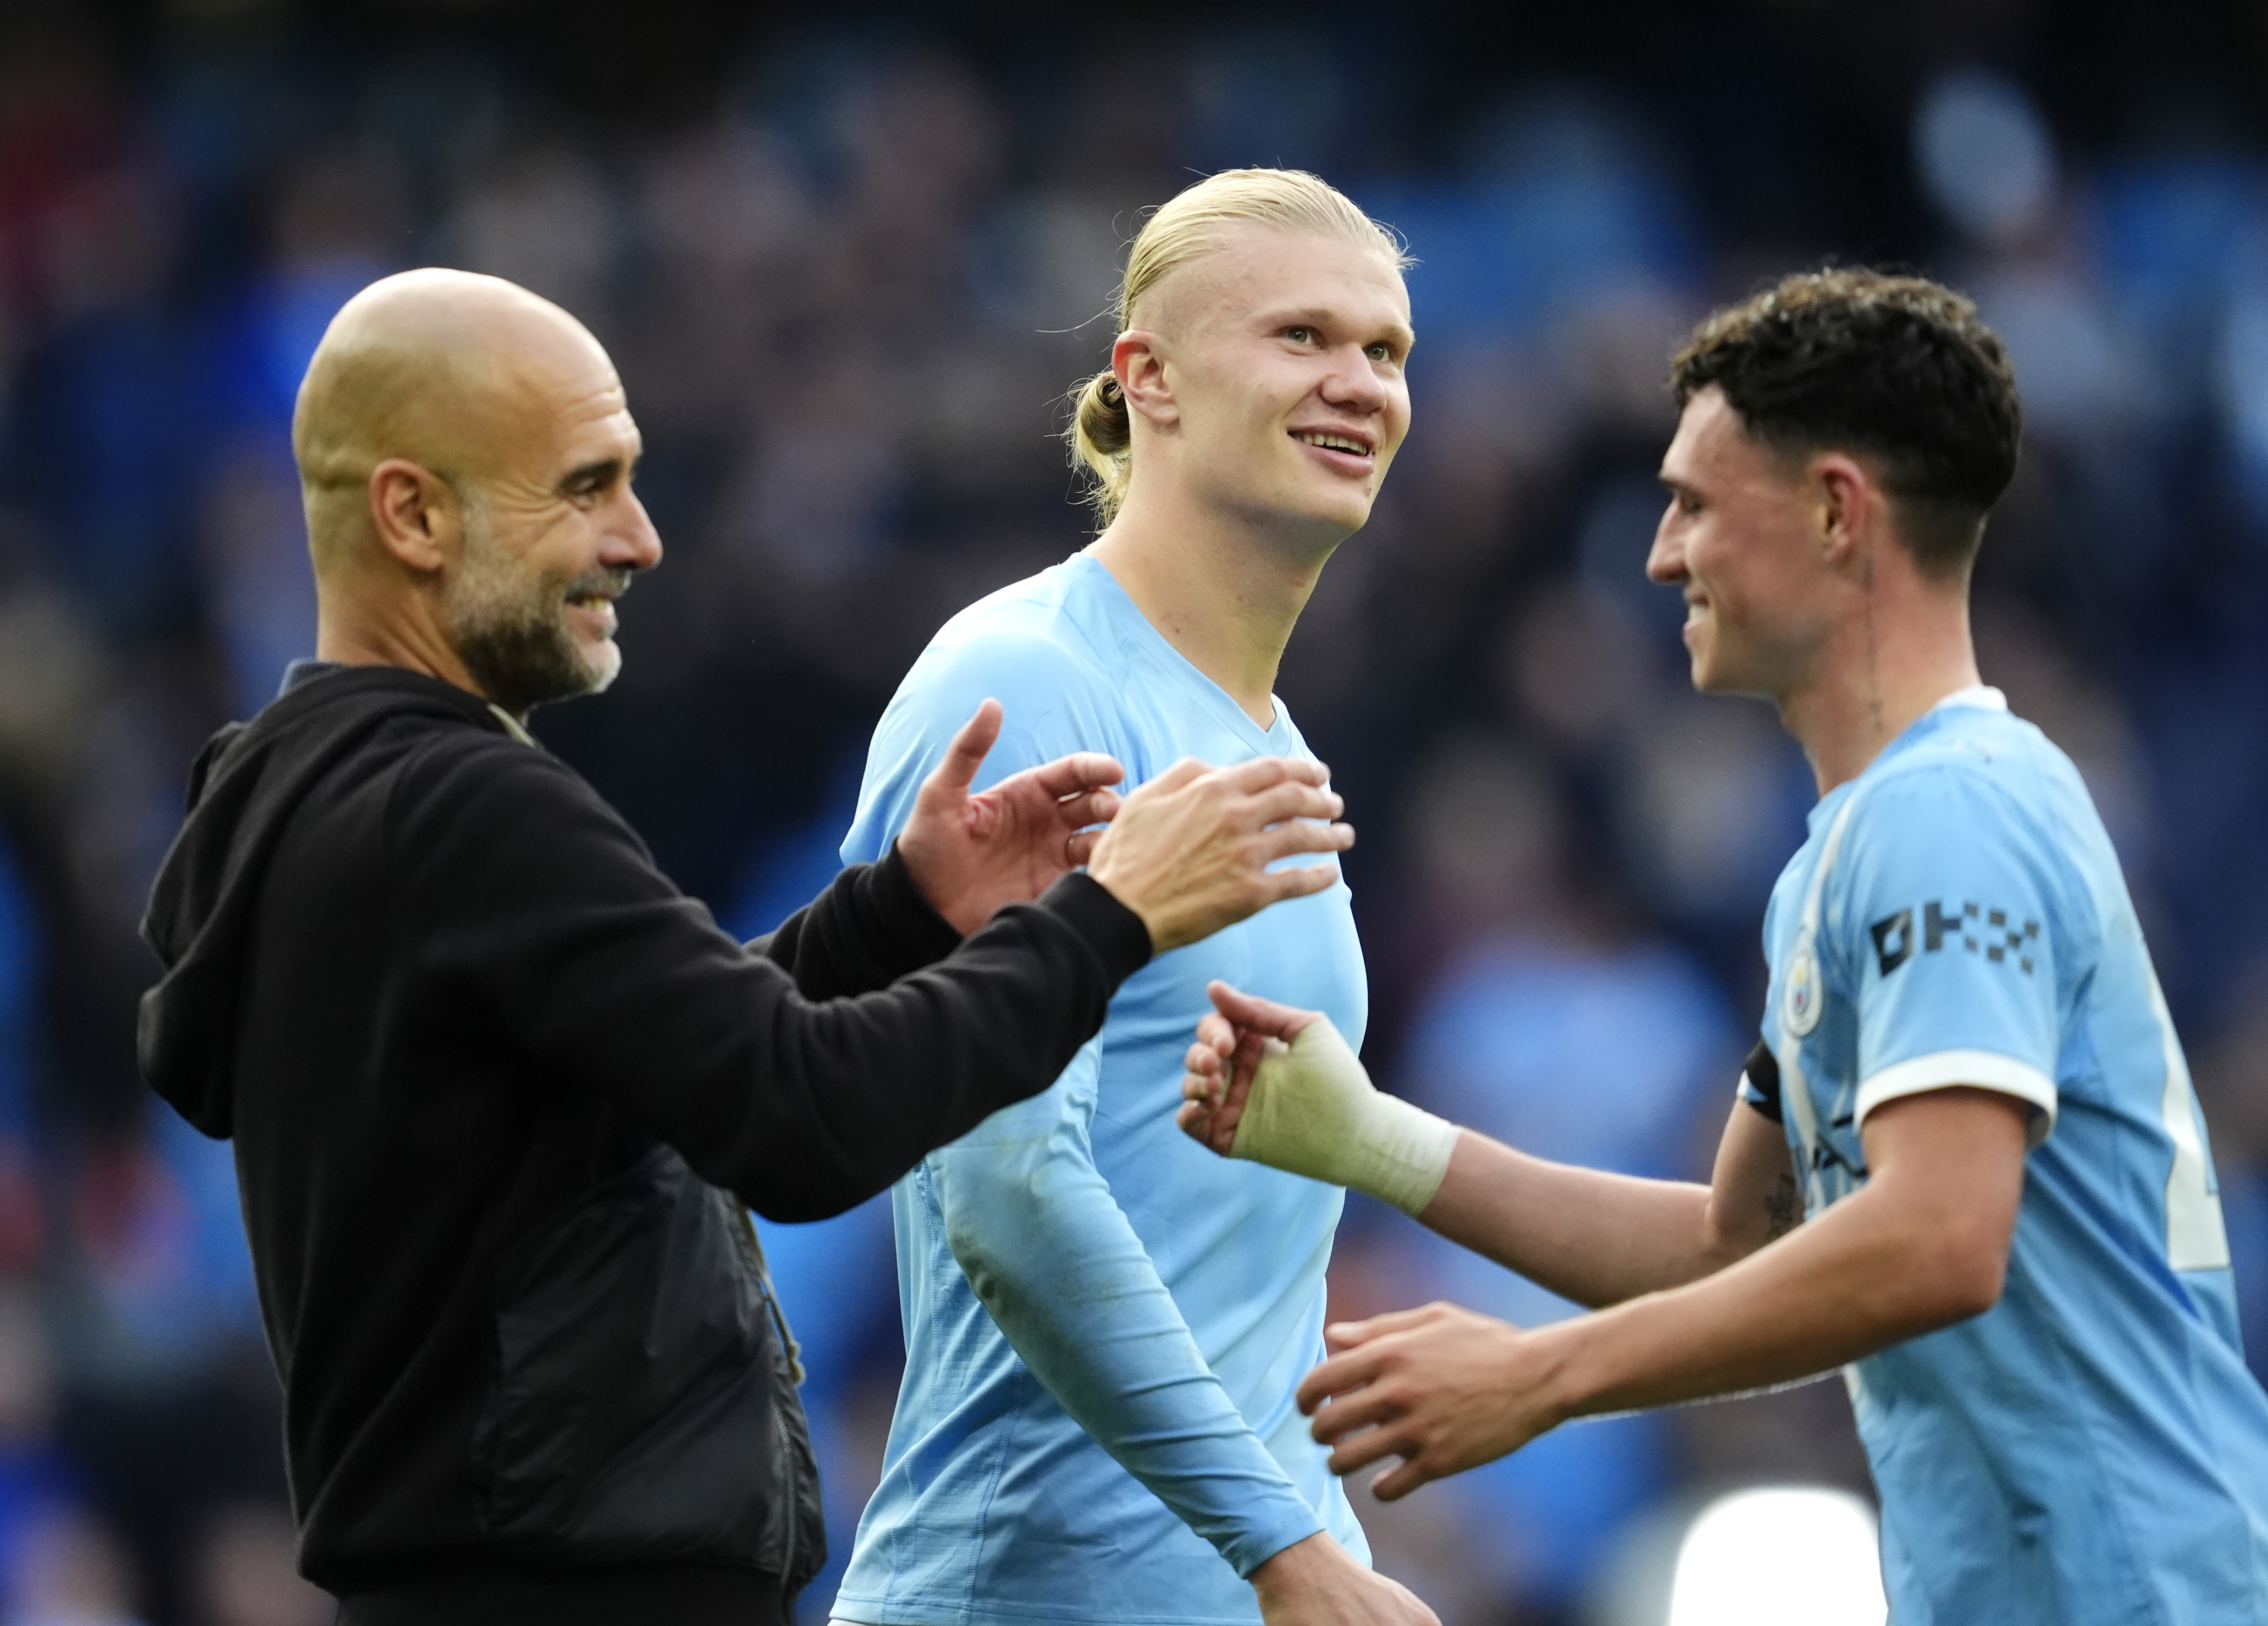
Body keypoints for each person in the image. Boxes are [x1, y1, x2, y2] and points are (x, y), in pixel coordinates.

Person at [135, 268, 1356, 1626]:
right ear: (414, 513)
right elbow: (796, 1119)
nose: (642, 538)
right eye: (586, 486)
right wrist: (1108, 919)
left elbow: (658, 1086)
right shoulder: (466, 805)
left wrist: (895, 911)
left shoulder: (335, 797)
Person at [1179, 270, 2268, 1624]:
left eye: (1695, 505)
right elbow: (1744, 1245)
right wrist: (1368, 1138)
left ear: (1838, 513)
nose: (1664, 555)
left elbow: (1938, 1240)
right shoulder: (1847, 855)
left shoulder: (1948, 813)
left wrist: (1542, 1376)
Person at [830, 170, 1434, 1626]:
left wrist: (1319, 1539)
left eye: (1388, 350)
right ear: (1146, 378)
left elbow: (1240, 1258)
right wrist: (1286, 1552)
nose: (1358, 383)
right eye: (1302, 337)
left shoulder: (1276, 744)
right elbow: (1007, 1183)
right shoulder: (1033, 679)